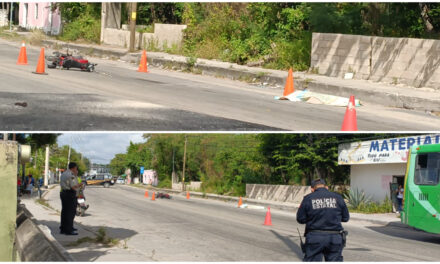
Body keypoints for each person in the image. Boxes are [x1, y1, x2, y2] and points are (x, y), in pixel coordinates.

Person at [296, 179, 350, 262]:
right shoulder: (338, 197)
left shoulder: (308, 198)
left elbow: (300, 219)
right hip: (334, 237)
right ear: (327, 187)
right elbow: (346, 218)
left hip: (314, 237)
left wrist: (312, 218)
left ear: (312, 189)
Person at [59, 162, 83, 235]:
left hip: (64, 193)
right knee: (70, 212)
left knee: (64, 212)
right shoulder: (71, 175)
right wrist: (81, 184)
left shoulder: (64, 173)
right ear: (73, 168)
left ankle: (63, 228)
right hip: (69, 194)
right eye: (76, 168)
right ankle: (68, 230)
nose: (76, 169)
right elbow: (73, 186)